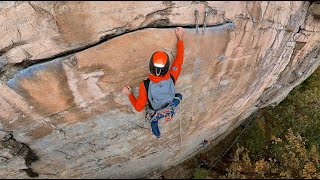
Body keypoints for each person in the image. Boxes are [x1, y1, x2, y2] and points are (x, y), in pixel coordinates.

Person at [122, 27, 184, 138]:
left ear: (150, 66)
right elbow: (179, 60)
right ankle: (168, 113)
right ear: (167, 67)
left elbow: (139, 107)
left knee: (153, 119)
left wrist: (129, 94)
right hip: (169, 105)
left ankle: (155, 127)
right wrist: (180, 38)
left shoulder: (145, 85)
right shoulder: (172, 76)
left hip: (155, 110)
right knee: (179, 96)